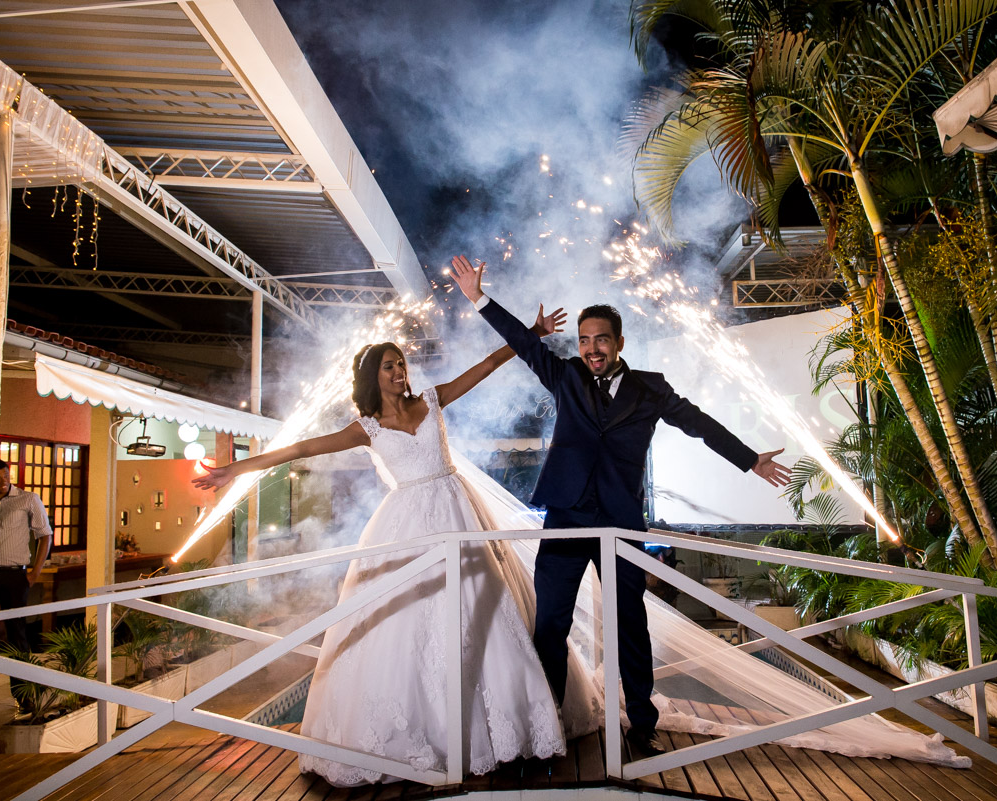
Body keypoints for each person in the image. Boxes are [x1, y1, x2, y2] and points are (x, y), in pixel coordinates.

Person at [192, 307, 601, 786]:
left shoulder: (430, 400)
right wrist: (234, 471)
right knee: (410, 623)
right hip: (406, 527)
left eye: (401, 363)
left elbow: (486, 367)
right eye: (389, 365)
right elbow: (302, 449)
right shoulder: (365, 428)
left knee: (485, 612)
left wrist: (530, 334)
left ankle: (510, 728)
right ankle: (420, 737)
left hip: (456, 514)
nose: (399, 370)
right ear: (373, 376)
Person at [449, 254, 791, 756]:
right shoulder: (563, 375)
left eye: (600, 339)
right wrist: (478, 297)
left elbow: (699, 424)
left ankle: (643, 725)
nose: (591, 348)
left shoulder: (650, 388)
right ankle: (548, 729)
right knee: (550, 626)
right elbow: (524, 345)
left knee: (630, 625)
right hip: (564, 519)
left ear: (619, 343)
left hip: (620, 521)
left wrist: (749, 460)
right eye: (584, 339)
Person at [0, 459, 53, 700]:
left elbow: (44, 535)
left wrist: (34, 573)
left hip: (15, 574)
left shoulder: (27, 499)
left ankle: (24, 696)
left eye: (5, 476)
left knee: (16, 632)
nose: (2, 481)